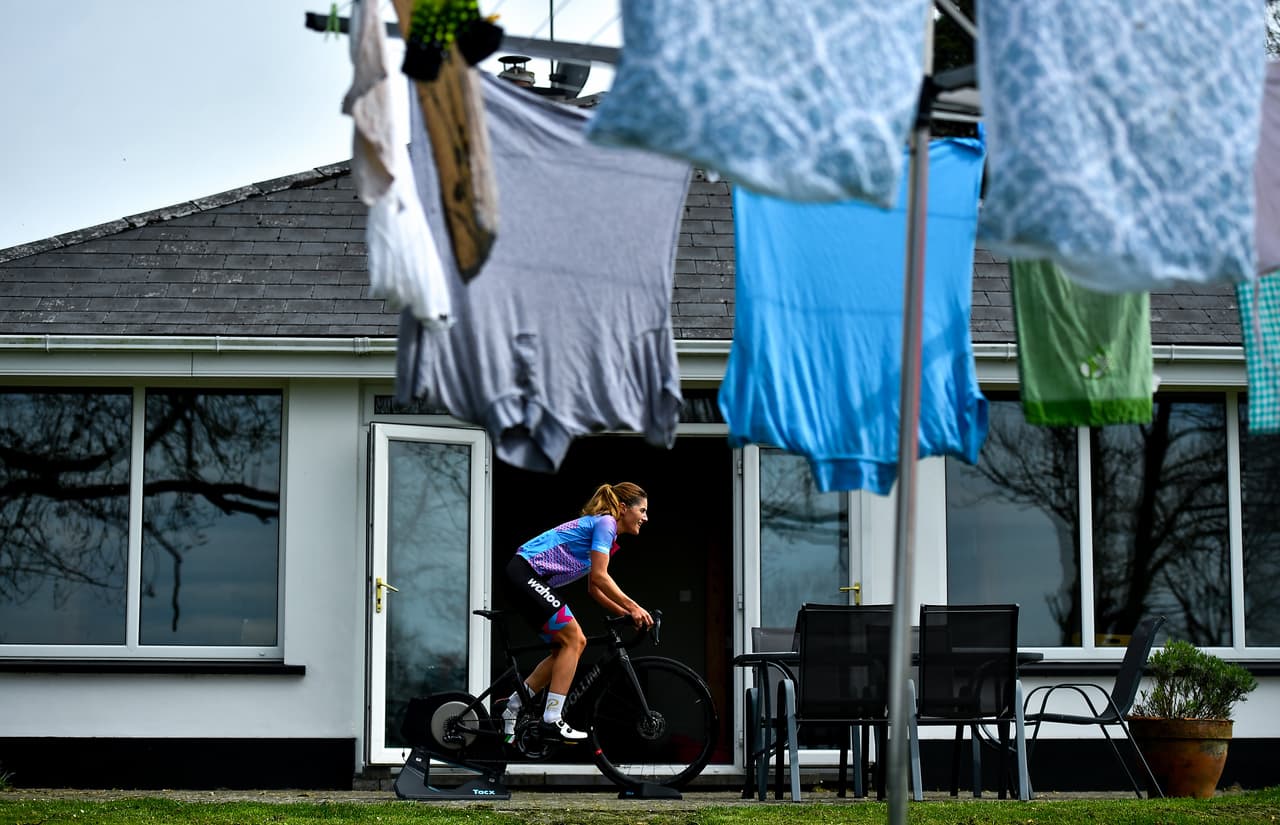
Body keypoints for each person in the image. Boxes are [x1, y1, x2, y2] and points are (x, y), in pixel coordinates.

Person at [501, 482, 654, 742]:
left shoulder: (607, 535)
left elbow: (594, 588)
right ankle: (552, 718)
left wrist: (625, 615)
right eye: (642, 510)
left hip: (524, 577)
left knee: (564, 648)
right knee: (576, 639)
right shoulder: (606, 523)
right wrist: (634, 607)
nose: (646, 517)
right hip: (524, 573)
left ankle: (513, 707)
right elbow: (601, 577)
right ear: (623, 508)